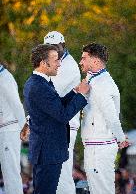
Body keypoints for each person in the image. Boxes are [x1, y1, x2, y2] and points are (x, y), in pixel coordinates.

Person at [23, 44, 89, 194]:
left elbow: (55, 105)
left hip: (48, 150)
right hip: (47, 152)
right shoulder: (38, 86)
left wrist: (74, 92)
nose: (59, 63)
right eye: (55, 60)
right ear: (43, 63)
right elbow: (62, 115)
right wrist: (82, 96)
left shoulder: (41, 82)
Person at [79, 43, 129, 194]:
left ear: (95, 62)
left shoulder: (102, 84)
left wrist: (120, 138)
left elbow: (112, 117)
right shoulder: (93, 78)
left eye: (84, 58)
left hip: (99, 146)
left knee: (102, 190)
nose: (80, 61)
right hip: (97, 145)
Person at [44, 31, 81, 194]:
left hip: (65, 125)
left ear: (63, 46)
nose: (52, 50)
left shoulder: (68, 66)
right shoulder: (54, 64)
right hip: (57, 125)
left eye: (56, 47)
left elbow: (51, 96)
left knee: (63, 172)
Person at [0, 63, 26, 194]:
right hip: (4, 130)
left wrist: (24, 129)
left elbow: (17, 105)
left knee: (10, 172)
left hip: (9, 131)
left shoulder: (5, 78)